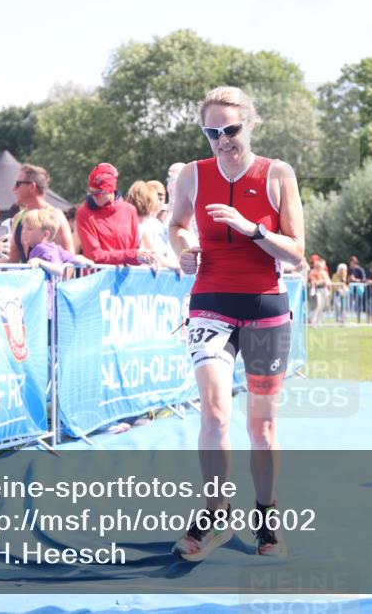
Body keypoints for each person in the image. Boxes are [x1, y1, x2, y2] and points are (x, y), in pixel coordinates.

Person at [168, 86, 304, 561]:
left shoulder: (277, 174)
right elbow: (176, 224)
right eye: (212, 132)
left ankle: (266, 515)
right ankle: (216, 511)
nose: (222, 139)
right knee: (214, 412)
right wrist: (182, 249)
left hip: (266, 306)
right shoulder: (192, 174)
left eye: (231, 129)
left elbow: (297, 253)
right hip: (210, 302)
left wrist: (253, 229)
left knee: (262, 428)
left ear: (251, 123)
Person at [77, 163, 155, 266]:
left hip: (124, 278)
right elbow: (95, 255)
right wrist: (131, 256)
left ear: (112, 189)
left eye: (99, 193)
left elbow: (134, 252)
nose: (94, 197)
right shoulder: (84, 213)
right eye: (91, 192)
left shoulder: (130, 210)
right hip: (97, 278)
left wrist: (146, 258)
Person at [8, 165, 73, 263]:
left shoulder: (55, 216)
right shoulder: (18, 218)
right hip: (27, 278)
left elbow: (69, 261)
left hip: (51, 278)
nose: (14, 189)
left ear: (31, 186)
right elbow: (13, 258)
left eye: (17, 184)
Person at [21, 208, 94, 278]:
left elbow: (59, 270)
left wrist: (39, 262)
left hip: (47, 290)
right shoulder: (57, 248)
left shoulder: (41, 249)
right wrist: (86, 261)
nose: (24, 232)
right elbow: (73, 258)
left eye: (29, 229)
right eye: (24, 228)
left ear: (45, 234)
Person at [125, 180, 178, 269]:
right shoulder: (132, 225)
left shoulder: (141, 226)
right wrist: (176, 265)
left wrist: (175, 265)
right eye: (156, 199)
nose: (158, 203)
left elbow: (153, 253)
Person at [307, 258, 331, 326]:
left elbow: (327, 281)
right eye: (318, 266)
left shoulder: (324, 272)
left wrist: (323, 281)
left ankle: (319, 321)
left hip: (323, 290)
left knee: (321, 306)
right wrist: (320, 282)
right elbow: (312, 281)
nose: (319, 268)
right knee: (317, 305)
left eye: (320, 267)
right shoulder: (312, 272)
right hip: (316, 290)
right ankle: (312, 321)